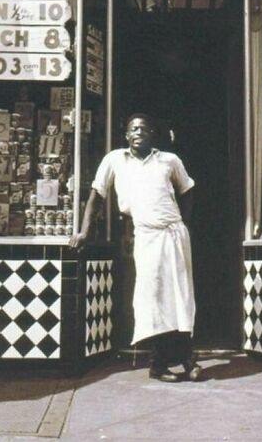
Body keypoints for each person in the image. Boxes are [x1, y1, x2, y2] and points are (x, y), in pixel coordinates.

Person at [70, 114, 202, 382]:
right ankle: (158, 363)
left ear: (152, 134)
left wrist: (184, 225)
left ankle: (188, 360)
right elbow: (96, 196)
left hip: (174, 234)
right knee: (152, 298)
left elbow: (187, 190)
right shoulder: (115, 160)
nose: (138, 131)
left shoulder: (169, 160)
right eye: (133, 128)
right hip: (146, 236)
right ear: (126, 135)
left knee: (181, 296)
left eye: (143, 128)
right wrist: (84, 231)